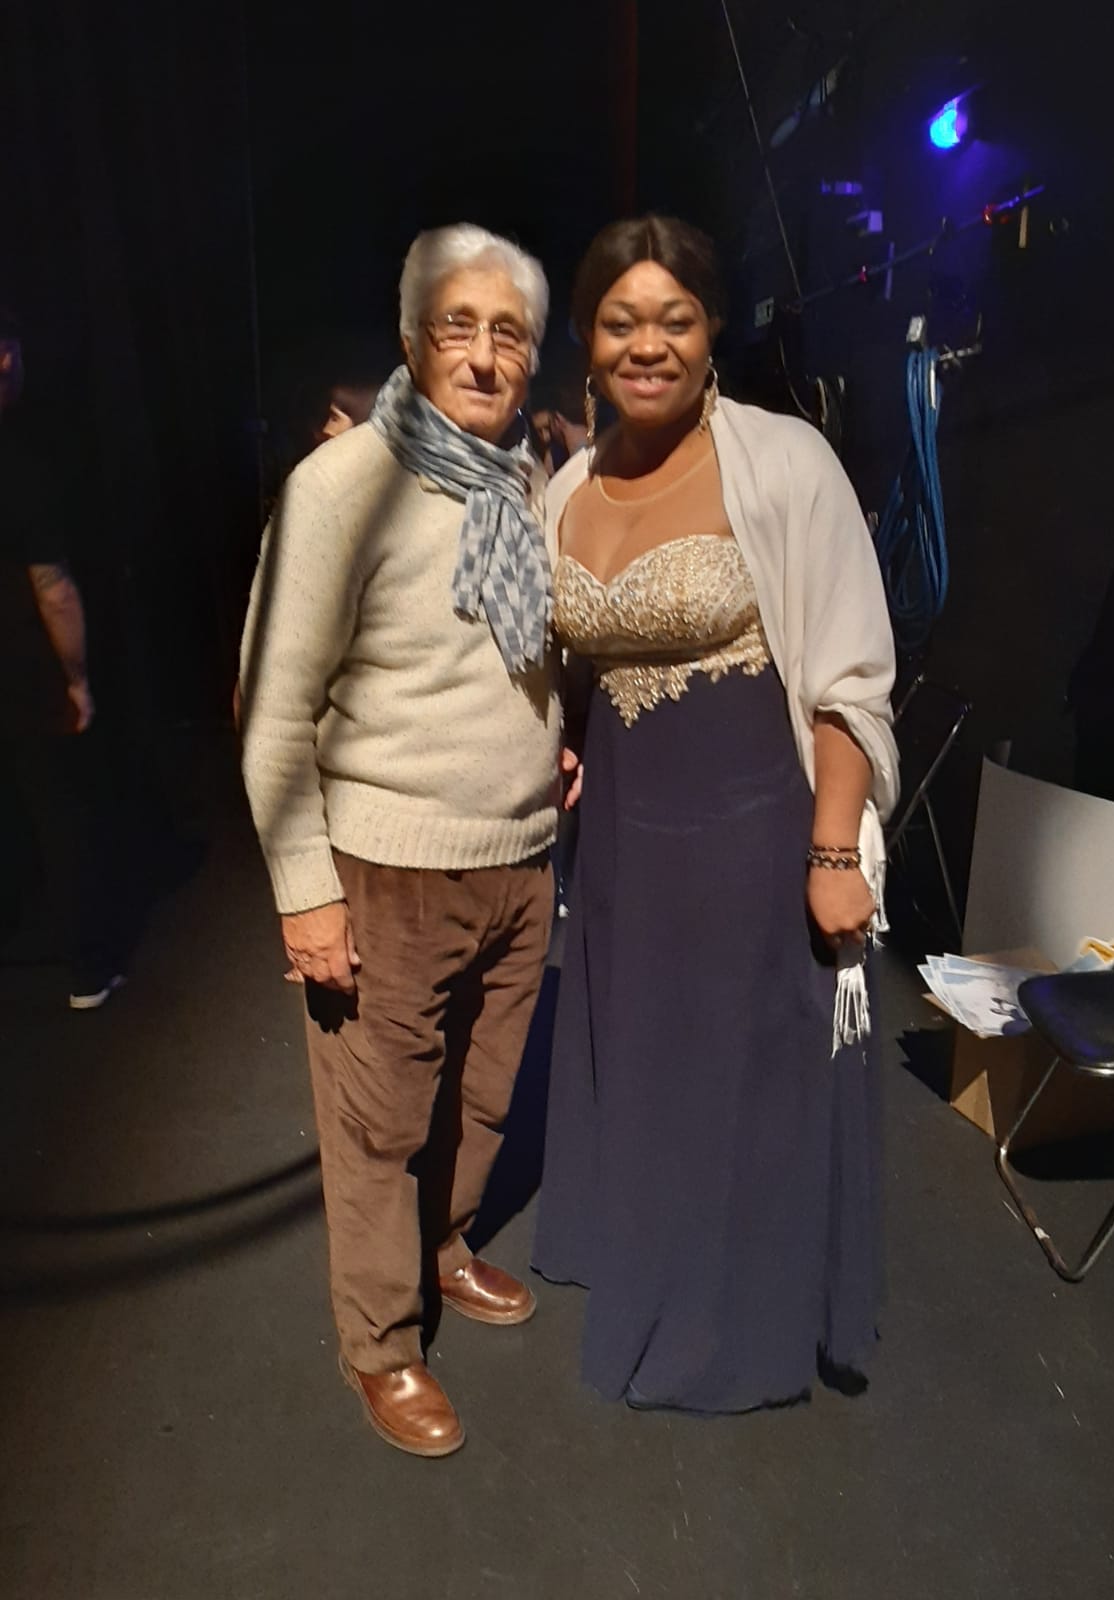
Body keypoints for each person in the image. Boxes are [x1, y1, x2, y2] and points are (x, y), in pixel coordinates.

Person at [532, 216, 900, 1414]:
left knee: (743, 1064)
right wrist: (562, 741)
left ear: (713, 330)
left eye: (674, 320)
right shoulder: (569, 485)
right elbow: (569, 659)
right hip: (625, 833)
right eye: (621, 323)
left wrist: (833, 851)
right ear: (588, 341)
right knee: (647, 1049)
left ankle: (731, 1312)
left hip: (749, 821)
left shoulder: (785, 463)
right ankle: (645, 1246)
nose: (648, 346)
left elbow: (846, 675)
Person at [239, 224, 573, 1458]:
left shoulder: (529, 487)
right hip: (388, 867)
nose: (484, 356)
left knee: (481, 1098)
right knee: (381, 1126)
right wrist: (305, 892)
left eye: (509, 334)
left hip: (520, 860)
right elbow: (271, 708)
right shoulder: (341, 488)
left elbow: (513, 654)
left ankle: (444, 1247)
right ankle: (380, 1342)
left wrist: (552, 735)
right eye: (458, 325)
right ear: (411, 337)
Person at [1, 308, 126, 1009]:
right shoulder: (22, 465)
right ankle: (87, 970)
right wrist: (77, 680)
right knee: (59, 812)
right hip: (22, 674)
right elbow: (53, 589)